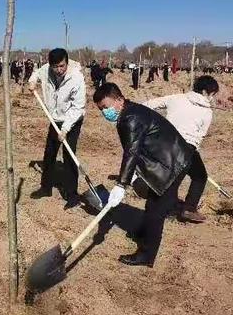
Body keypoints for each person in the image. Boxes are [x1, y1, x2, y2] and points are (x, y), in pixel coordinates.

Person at [93, 83, 194, 267]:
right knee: (154, 204)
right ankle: (146, 233)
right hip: (172, 158)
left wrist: (121, 184)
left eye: (106, 107)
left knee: (156, 210)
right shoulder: (130, 111)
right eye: (101, 110)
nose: (105, 112)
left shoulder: (129, 118)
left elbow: (131, 152)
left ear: (119, 100)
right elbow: (136, 150)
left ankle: (147, 254)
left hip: (173, 163)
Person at [142, 75, 219, 222]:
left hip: (165, 143)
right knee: (198, 177)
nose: (211, 98)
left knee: (171, 179)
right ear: (205, 92)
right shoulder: (207, 111)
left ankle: (167, 207)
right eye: (211, 94)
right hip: (187, 147)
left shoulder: (176, 98)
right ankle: (187, 209)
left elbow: (148, 104)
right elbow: (200, 136)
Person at [29, 48, 86, 199]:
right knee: (49, 153)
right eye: (55, 67)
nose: (59, 70)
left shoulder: (76, 78)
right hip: (55, 119)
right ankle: (45, 188)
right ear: (50, 65)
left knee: (69, 155)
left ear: (67, 62)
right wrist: (32, 81)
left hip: (72, 120)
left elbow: (78, 107)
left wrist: (65, 129)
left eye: (62, 66)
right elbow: (37, 73)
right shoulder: (47, 69)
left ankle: (71, 193)